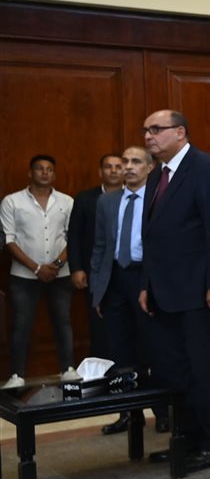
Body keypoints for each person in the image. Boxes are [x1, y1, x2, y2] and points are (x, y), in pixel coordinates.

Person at [139, 110, 210, 474]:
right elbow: (151, 236)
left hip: (200, 293)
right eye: (146, 130)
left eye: (156, 129)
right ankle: (188, 439)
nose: (148, 136)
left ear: (180, 132)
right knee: (175, 371)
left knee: (206, 369)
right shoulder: (156, 175)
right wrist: (146, 284)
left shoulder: (208, 169)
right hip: (164, 293)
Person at [92, 147, 167, 434]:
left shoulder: (158, 198)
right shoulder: (107, 201)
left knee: (153, 348)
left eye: (136, 161)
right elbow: (100, 247)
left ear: (150, 168)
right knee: (120, 350)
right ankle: (128, 413)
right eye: (125, 161)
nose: (129, 166)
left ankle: (161, 412)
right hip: (115, 279)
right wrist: (98, 290)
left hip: (146, 278)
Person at [2, 155, 75, 387]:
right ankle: (16, 375)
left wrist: (56, 265)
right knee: (21, 323)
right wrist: (36, 268)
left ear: (54, 174)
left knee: (63, 321)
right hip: (24, 276)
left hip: (60, 274)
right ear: (30, 173)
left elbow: (73, 237)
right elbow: (9, 240)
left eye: (49, 169)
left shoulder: (67, 201)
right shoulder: (12, 201)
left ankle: (68, 369)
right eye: (40, 169)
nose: (45, 173)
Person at [67, 152, 124, 361]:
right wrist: (77, 268)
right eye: (108, 166)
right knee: (98, 321)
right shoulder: (85, 198)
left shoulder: (136, 196)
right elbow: (75, 235)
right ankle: (102, 369)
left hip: (128, 269)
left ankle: (129, 370)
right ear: (100, 172)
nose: (114, 171)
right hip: (96, 271)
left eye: (118, 166)